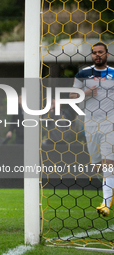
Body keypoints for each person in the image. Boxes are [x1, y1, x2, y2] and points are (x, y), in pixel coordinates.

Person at [70, 42, 114, 217]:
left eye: (100, 52)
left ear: (107, 54)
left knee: (108, 161)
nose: (97, 55)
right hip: (90, 123)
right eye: (94, 53)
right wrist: (87, 93)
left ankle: (105, 203)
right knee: (96, 165)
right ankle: (110, 189)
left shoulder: (113, 73)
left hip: (109, 122)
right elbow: (72, 95)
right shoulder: (83, 73)